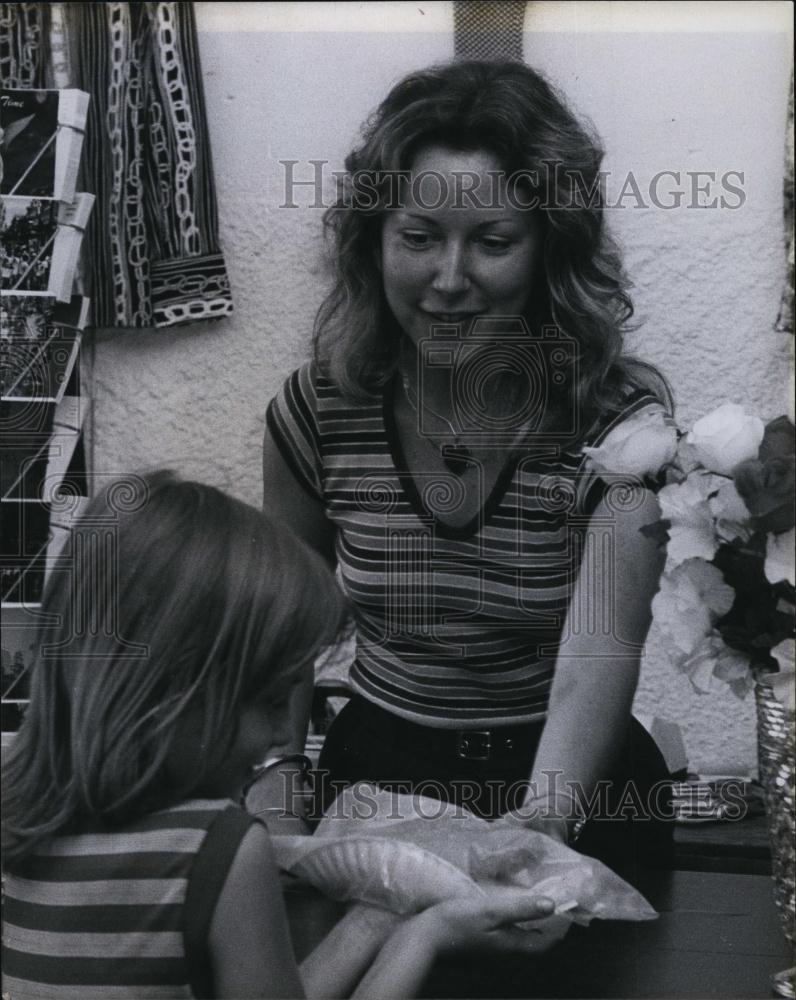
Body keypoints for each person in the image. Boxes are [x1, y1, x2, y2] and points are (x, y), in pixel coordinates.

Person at [263, 60, 675, 879]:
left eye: (492, 243)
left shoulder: (620, 428)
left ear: (548, 250)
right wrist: (276, 791)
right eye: (419, 238)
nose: (449, 281)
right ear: (372, 240)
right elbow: (282, 640)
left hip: (576, 787)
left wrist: (541, 832)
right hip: (376, 777)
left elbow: (599, 654)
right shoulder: (315, 412)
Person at [1, 470, 559, 1000]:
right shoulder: (216, 850)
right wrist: (426, 937)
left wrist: (376, 920)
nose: (278, 736)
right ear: (175, 690)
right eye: (270, 702)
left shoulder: (22, 823)